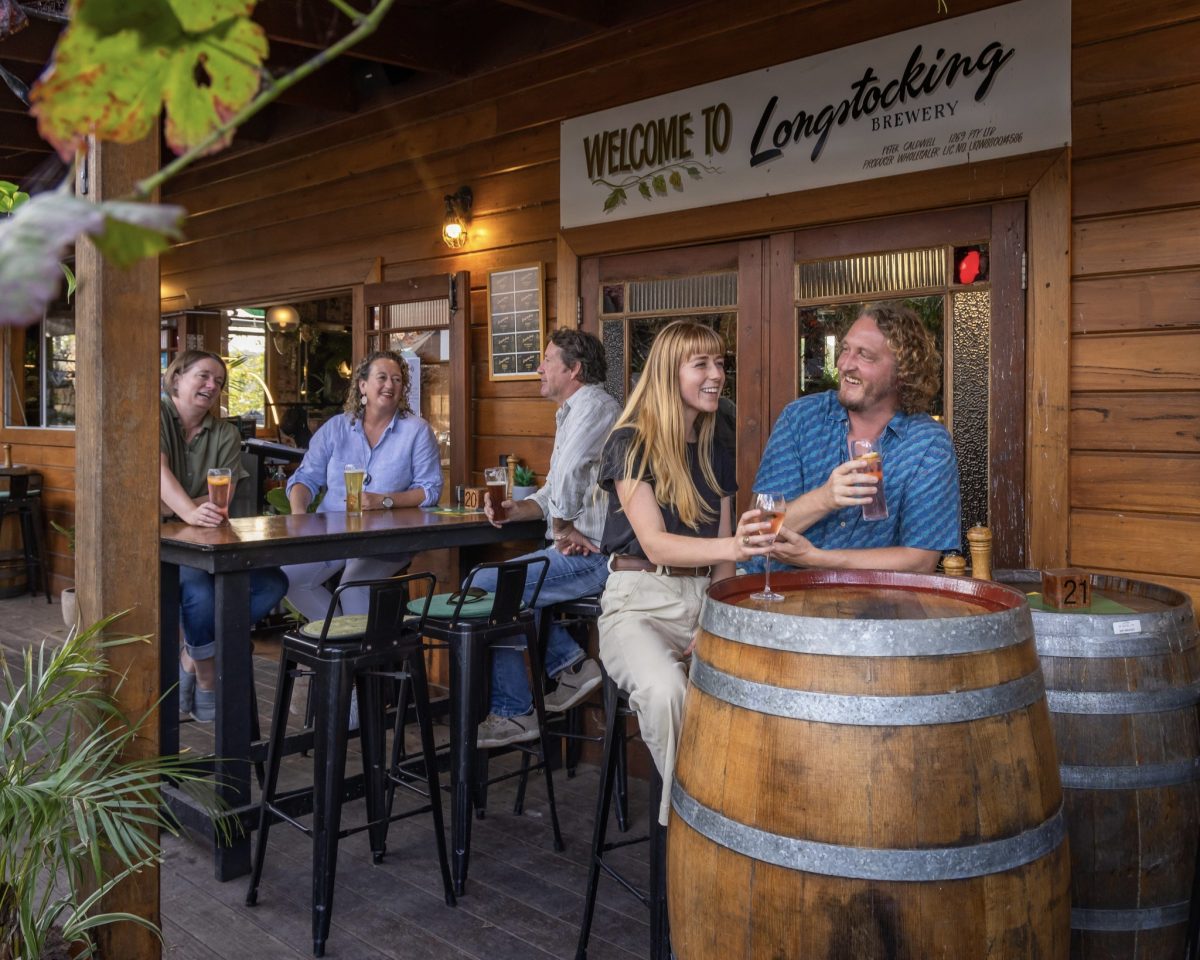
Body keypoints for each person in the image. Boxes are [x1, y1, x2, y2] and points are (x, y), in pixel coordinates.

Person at [597, 320, 773, 825]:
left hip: (701, 600)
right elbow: (654, 541)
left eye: (720, 363)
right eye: (702, 364)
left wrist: (713, 620)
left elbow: (722, 561)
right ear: (668, 373)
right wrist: (737, 543)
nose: (717, 374)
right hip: (638, 602)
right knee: (667, 691)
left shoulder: (717, 439)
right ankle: (691, 831)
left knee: (752, 696)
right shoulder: (629, 442)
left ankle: (743, 821)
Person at [474, 329, 621, 748]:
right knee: (507, 592)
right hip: (574, 550)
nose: (539, 367)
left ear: (573, 369)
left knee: (487, 586)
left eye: (547, 359)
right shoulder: (573, 411)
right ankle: (571, 665)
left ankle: (517, 711)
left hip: (593, 557)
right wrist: (514, 510)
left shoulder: (594, 404)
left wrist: (562, 529)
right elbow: (556, 488)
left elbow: (573, 470)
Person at [753, 301, 960, 573]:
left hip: (873, 608)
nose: (844, 364)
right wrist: (824, 499)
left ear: (902, 373)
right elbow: (759, 531)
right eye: (845, 350)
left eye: (865, 356)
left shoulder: (926, 444)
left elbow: (921, 561)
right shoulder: (801, 419)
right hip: (781, 599)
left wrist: (816, 559)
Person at [159, 350, 288, 723]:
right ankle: (208, 676)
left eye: (219, 381)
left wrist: (169, 504)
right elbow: (156, 471)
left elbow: (221, 501)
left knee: (271, 582)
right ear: (178, 377)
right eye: (203, 376)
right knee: (198, 589)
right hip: (152, 545)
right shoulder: (156, 414)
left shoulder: (225, 432)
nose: (212, 385)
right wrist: (186, 509)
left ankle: (193, 655)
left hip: (207, 542)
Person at [282, 350, 442, 620]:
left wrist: (385, 500)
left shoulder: (417, 431)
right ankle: (339, 644)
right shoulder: (336, 428)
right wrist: (299, 517)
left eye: (397, 379)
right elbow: (305, 478)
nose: (390, 385)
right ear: (362, 385)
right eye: (382, 377)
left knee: (352, 588)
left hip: (387, 538)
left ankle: (358, 657)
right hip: (332, 533)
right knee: (288, 579)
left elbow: (430, 490)